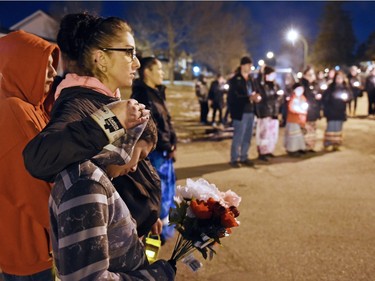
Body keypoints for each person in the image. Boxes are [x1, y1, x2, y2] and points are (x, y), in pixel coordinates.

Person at [22, 13, 175, 279]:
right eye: (128, 52)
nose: (136, 62)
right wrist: (109, 121)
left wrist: (147, 213)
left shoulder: (103, 98)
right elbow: (40, 157)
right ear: (101, 59)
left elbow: (131, 145)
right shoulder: (78, 102)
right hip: (106, 254)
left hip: (128, 234)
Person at [50, 118, 175, 280]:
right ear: (126, 140)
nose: (135, 167)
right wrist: (153, 277)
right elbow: (87, 277)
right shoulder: (88, 185)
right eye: (140, 155)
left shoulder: (88, 174)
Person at [0, 30, 59, 280]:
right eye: (44, 67)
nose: (54, 73)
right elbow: (31, 187)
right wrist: (68, 226)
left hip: (38, 243)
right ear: (22, 67)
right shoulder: (12, 110)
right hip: (28, 246)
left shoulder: (34, 108)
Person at [131, 57, 177, 243]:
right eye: (159, 69)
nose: (162, 73)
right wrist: (167, 144)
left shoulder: (156, 92)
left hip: (165, 151)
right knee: (158, 192)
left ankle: (164, 230)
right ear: (147, 72)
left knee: (167, 192)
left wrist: (172, 142)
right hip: (156, 153)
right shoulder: (143, 96)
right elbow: (152, 127)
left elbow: (166, 121)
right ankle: (156, 233)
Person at [227, 56, 261, 168]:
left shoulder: (251, 79)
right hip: (240, 112)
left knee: (248, 136)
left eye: (251, 65)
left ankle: (244, 156)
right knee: (238, 136)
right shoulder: (235, 80)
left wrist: (257, 97)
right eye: (248, 65)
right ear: (242, 66)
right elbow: (233, 97)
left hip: (251, 111)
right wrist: (248, 98)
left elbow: (256, 91)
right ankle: (234, 159)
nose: (250, 67)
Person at [255, 65, 283, 161]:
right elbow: (258, 85)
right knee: (264, 134)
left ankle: (269, 150)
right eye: (272, 74)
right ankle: (262, 152)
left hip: (273, 113)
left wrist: (279, 97)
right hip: (264, 112)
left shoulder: (275, 85)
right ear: (266, 75)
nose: (273, 76)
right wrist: (260, 73)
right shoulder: (262, 85)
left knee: (272, 133)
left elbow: (278, 99)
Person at [322, 70, 353, 151]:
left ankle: (336, 144)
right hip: (331, 111)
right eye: (337, 78)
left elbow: (350, 96)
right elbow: (325, 97)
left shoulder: (345, 88)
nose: (338, 79)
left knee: (338, 128)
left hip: (340, 111)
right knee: (331, 127)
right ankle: (328, 143)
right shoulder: (331, 87)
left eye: (340, 78)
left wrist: (346, 98)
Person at [284, 83, 309, 157]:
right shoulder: (293, 98)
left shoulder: (303, 98)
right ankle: (292, 150)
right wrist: (299, 111)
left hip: (301, 120)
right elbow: (290, 108)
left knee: (300, 135)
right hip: (293, 120)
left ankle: (300, 148)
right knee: (294, 135)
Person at [301, 66, 321, 153]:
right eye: (309, 74)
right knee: (306, 129)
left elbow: (318, 93)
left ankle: (311, 146)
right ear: (305, 75)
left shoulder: (315, 84)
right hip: (305, 111)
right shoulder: (302, 85)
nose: (311, 76)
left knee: (313, 129)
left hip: (314, 110)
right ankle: (303, 146)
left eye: (312, 74)